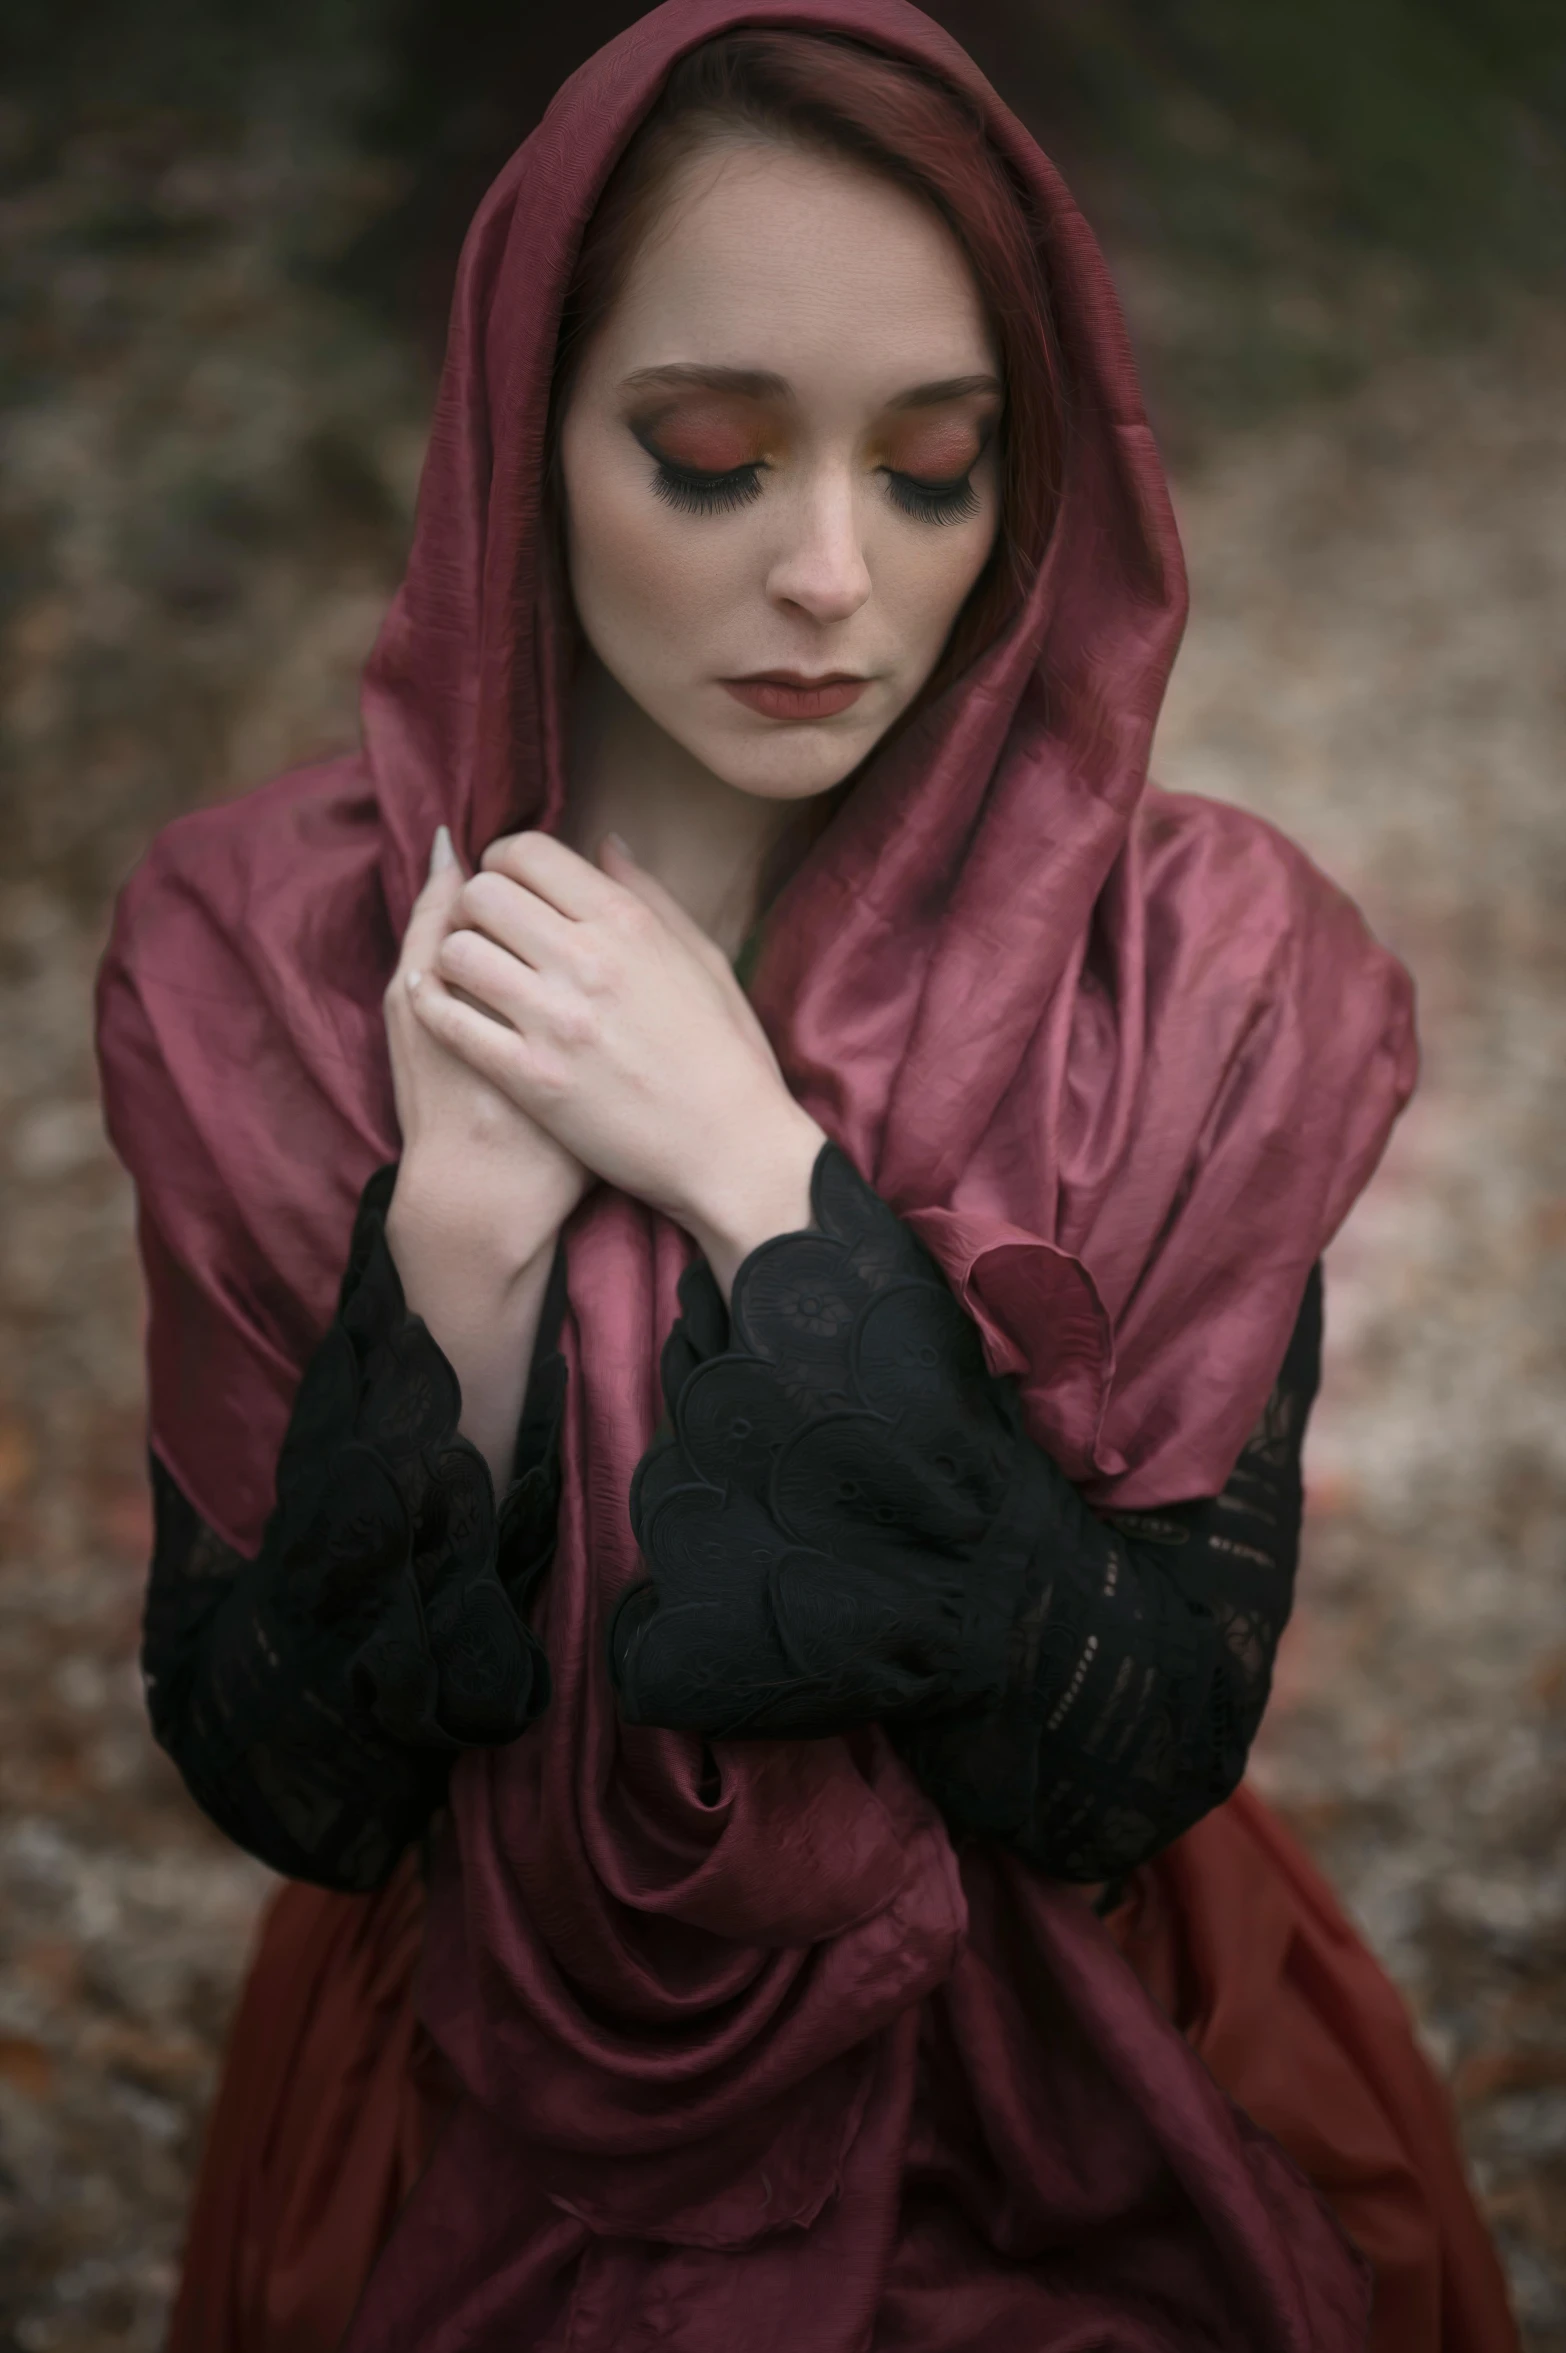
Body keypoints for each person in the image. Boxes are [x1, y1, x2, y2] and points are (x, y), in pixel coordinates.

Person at [95, 2, 1518, 2347]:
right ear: (521, 442)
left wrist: (763, 1183)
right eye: (711, 458)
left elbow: (1133, 1753)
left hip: (1085, 2115)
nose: (835, 574)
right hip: (470, 2132)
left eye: (938, 467)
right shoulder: (265, 954)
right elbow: (302, 1791)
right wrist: (449, 1256)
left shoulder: (1210, 979)